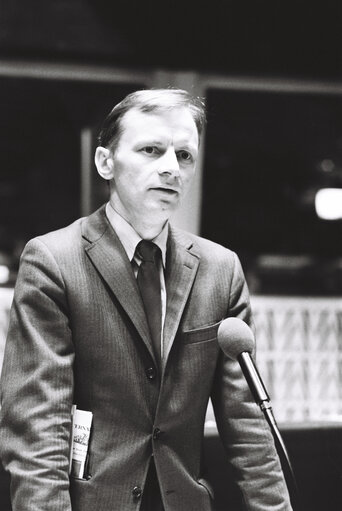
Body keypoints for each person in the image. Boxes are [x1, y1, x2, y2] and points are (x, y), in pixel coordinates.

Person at [0, 88, 292, 511]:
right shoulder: (53, 260)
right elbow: (38, 425)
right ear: (105, 162)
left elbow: (248, 423)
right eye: (151, 150)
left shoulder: (220, 268)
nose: (171, 168)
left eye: (185, 155)